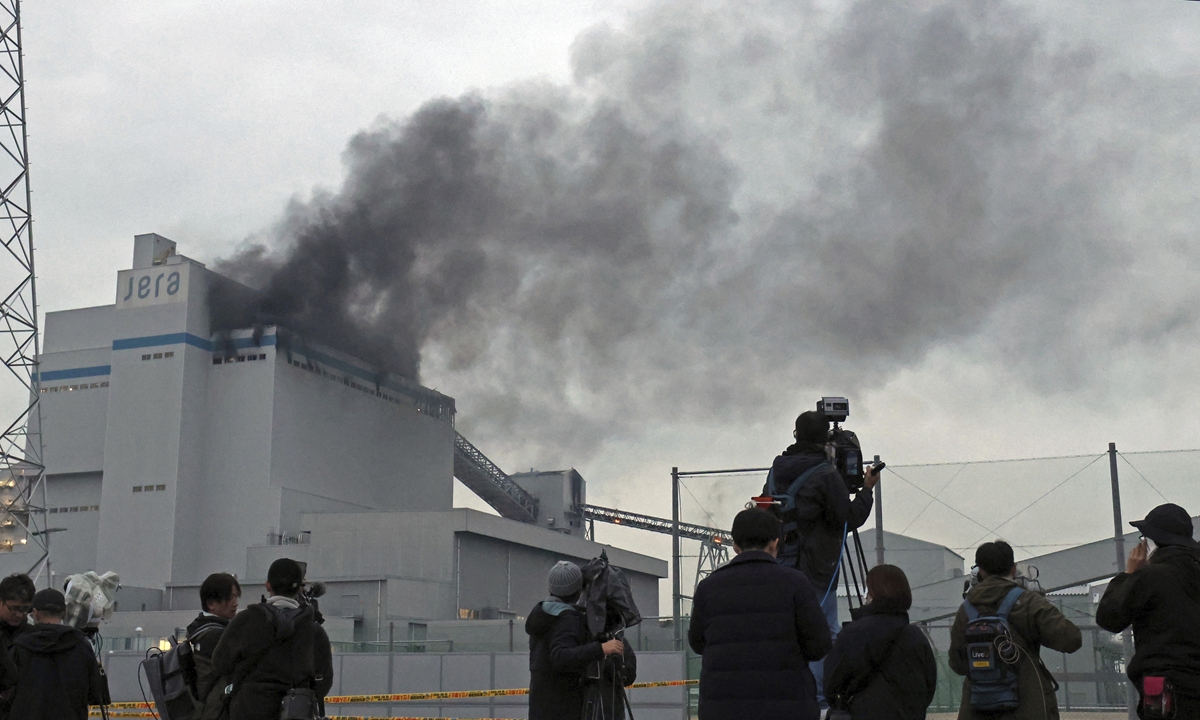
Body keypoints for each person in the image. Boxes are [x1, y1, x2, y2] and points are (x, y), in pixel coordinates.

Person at [764, 410, 878, 703]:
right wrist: (866, 489)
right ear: (825, 439)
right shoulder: (826, 474)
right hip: (818, 567)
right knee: (823, 630)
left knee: (788, 628)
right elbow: (848, 518)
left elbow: (767, 506)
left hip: (781, 561)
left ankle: (789, 694)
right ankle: (820, 699)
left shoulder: (776, 469)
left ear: (795, 435)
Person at [688, 507, 832, 720]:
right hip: (787, 707)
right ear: (775, 542)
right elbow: (819, 646)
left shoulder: (708, 587)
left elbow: (697, 643)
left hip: (723, 708)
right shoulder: (796, 583)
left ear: (735, 545)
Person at [949, 541, 1082, 720]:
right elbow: (1071, 639)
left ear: (980, 571)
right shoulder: (1030, 602)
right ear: (1013, 569)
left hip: (978, 709)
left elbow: (957, 665)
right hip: (1029, 706)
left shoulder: (966, 610)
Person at [1096, 503, 1200, 717]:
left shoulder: (1151, 577)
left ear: (1153, 542)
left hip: (1165, 690)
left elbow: (1109, 617)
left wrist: (1128, 574)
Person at [210, 558, 331, 720]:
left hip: (248, 708)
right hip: (295, 712)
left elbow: (220, 663)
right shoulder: (315, 631)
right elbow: (324, 681)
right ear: (299, 589)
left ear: (268, 585)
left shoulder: (246, 620)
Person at [824, 564, 936, 719]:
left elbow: (832, 685)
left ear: (872, 594)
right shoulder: (915, 636)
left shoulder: (852, 633)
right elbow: (929, 686)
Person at [526, 560, 625, 720]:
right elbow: (560, 656)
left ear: (550, 588)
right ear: (578, 591)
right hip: (564, 709)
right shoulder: (568, 620)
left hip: (541, 708)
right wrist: (601, 648)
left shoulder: (543, 616)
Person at [7, 588, 105, 720]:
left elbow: (7, 688)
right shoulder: (81, 645)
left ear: (35, 613)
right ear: (64, 613)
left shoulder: (20, 647)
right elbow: (95, 693)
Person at [187, 572, 241, 719]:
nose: (235, 602)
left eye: (236, 596)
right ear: (211, 604)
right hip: (217, 711)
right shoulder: (213, 636)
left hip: (211, 709)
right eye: (229, 598)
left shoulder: (200, 629)